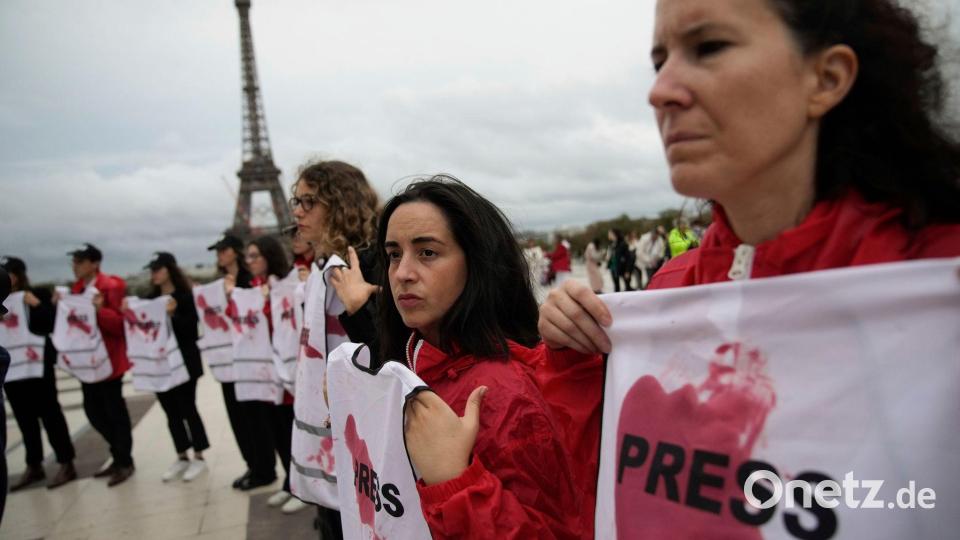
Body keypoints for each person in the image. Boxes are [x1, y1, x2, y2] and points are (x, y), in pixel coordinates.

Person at [538, 1, 960, 529]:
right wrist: (575, 365)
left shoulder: (941, 280)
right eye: (659, 61)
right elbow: (593, 503)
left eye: (709, 47)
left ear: (825, 79)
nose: (659, 91)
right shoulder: (669, 288)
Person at [378, 177, 588, 538]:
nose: (403, 273)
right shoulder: (414, 362)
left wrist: (455, 483)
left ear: (476, 263)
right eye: (394, 254)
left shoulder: (505, 392)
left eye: (427, 252)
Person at [289, 159, 382, 536]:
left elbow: (394, 356)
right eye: (296, 200)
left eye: (308, 201)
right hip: (331, 429)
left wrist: (361, 308)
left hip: (366, 439)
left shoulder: (371, 265)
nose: (297, 210)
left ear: (340, 203)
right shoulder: (320, 267)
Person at [242, 235, 307, 513]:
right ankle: (288, 482)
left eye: (255, 255)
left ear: (269, 256)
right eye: (248, 256)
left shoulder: (289, 283)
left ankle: (301, 487)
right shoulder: (257, 286)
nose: (250, 261)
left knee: (292, 431)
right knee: (278, 431)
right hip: (268, 371)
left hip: (288, 369)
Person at [2, 256, 77, 490]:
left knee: (51, 414)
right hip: (12, 371)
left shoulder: (37, 295)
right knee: (25, 419)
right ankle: (34, 464)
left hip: (37, 368)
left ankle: (66, 461)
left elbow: (52, 323)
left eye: (10, 272)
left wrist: (36, 305)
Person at [65, 243, 135, 487]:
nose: (75, 265)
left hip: (109, 360)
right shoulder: (75, 290)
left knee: (114, 412)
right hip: (87, 363)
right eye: (74, 261)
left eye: (80, 261)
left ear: (94, 263)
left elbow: (120, 325)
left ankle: (124, 460)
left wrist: (99, 311)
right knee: (94, 412)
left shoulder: (111, 286)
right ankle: (118, 453)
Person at [207, 232, 269, 491]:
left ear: (234, 251)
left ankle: (263, 468)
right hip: (228, 359)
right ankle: (252, 465)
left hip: (249, 358)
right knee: (237, 418)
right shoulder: (219, 284)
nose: (219, 255)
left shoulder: (248, 281)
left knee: (253, 417)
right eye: (217, 251)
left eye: (223, 249)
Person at [141, 252, 210, 483]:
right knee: (170, 411)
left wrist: (173, 316)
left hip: (184, 361)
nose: (155, 274)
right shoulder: (150, 299)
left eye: (158, 269)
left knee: (187, 407)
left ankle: (199, 454)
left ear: (169, 269)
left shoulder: (184, 296)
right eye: (152, 270)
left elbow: (192, 328)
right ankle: (181, 454)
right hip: (160, 363)